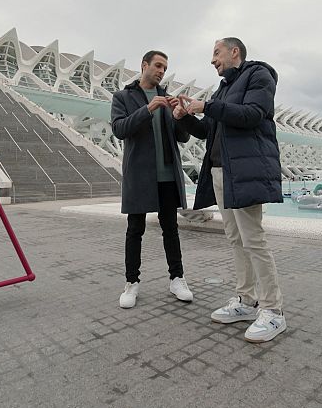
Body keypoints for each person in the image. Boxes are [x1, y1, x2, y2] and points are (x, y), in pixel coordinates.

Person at [175, 37, 287, 343]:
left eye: (216, 53)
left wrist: (208, 106)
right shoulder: (223, 89)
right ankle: (246, 301)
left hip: (244, 171)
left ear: (233, 52)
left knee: (254, 239)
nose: (212, 60)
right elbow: (209, 130)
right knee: (236, 239)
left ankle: (273, 311)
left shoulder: (258, 76)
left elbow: (252, 114)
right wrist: (187, 117)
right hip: (221, 172)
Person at [110, 50, 193, 309]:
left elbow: (183, 138)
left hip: (167, 174)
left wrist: (180, 115)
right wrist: (148, 109)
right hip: (140, 174)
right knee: (136, 230)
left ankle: (177, 278)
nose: (161, 71)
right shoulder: (122, 97)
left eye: (165, 68)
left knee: (171, 228)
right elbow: (120, 129)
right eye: (157, 65)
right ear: (144, 65)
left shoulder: (167, 100)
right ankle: (131, 283)